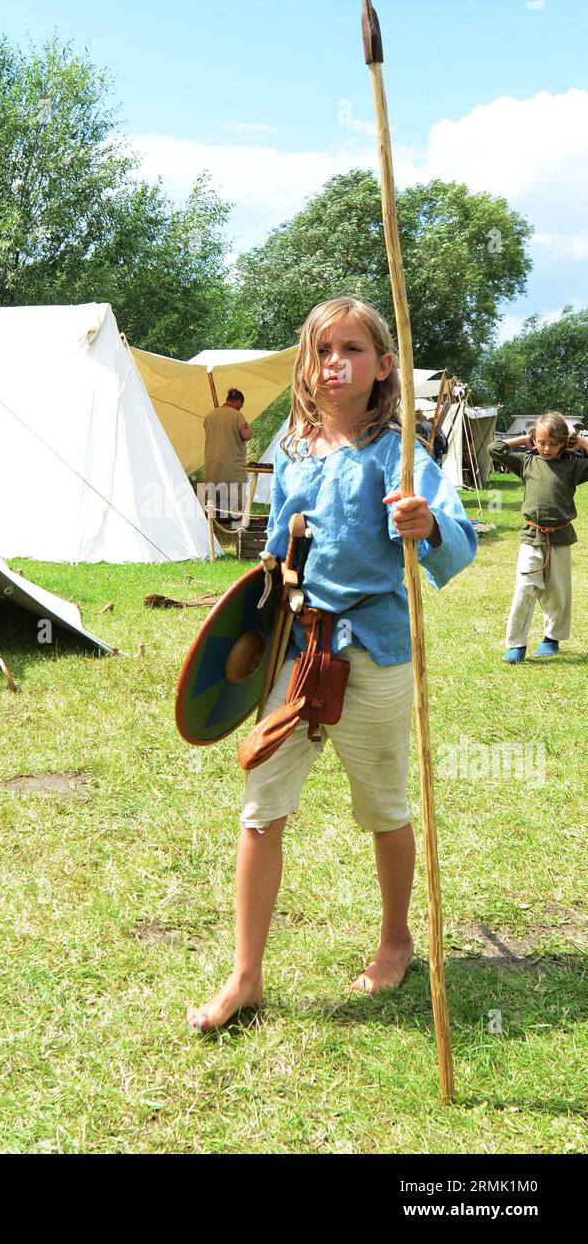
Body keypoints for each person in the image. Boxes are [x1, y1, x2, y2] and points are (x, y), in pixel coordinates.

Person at [187, 297, 477, 1032]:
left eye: (352, 348)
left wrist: (426, 522)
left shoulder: (400, 455)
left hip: (373, 654)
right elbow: (281, 548)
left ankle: (394, 938)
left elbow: (459, 540)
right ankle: (244, 975)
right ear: (307, 366)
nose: (335, 362)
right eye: (322, 350)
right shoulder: (291, 449)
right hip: (296, 651)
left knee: (382, 808)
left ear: (383, 365)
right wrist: (270, 572)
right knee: (259, 811)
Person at [488, 414, 588, 662]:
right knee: (524, 588)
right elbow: (494, 448)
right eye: (541, 442)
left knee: (558, 592)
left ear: (563, 443)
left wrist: (583, 443)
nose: (546, 448)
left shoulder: (572, 467)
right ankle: (516, 644)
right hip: (531, 536)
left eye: (553, 444)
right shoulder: (526, 463)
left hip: (561, 537)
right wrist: (525, 439)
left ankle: (551, 638)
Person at [203, 387, 252, 517]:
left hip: (212, 465)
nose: (241, 408)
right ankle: (238, 524)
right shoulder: (237, 415)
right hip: (232, 466)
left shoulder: (210, 415)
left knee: (212, 499)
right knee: (237, 498)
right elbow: (246, 435)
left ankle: (211, 525)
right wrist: (249, 430)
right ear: (238, 402)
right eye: (241, 405)